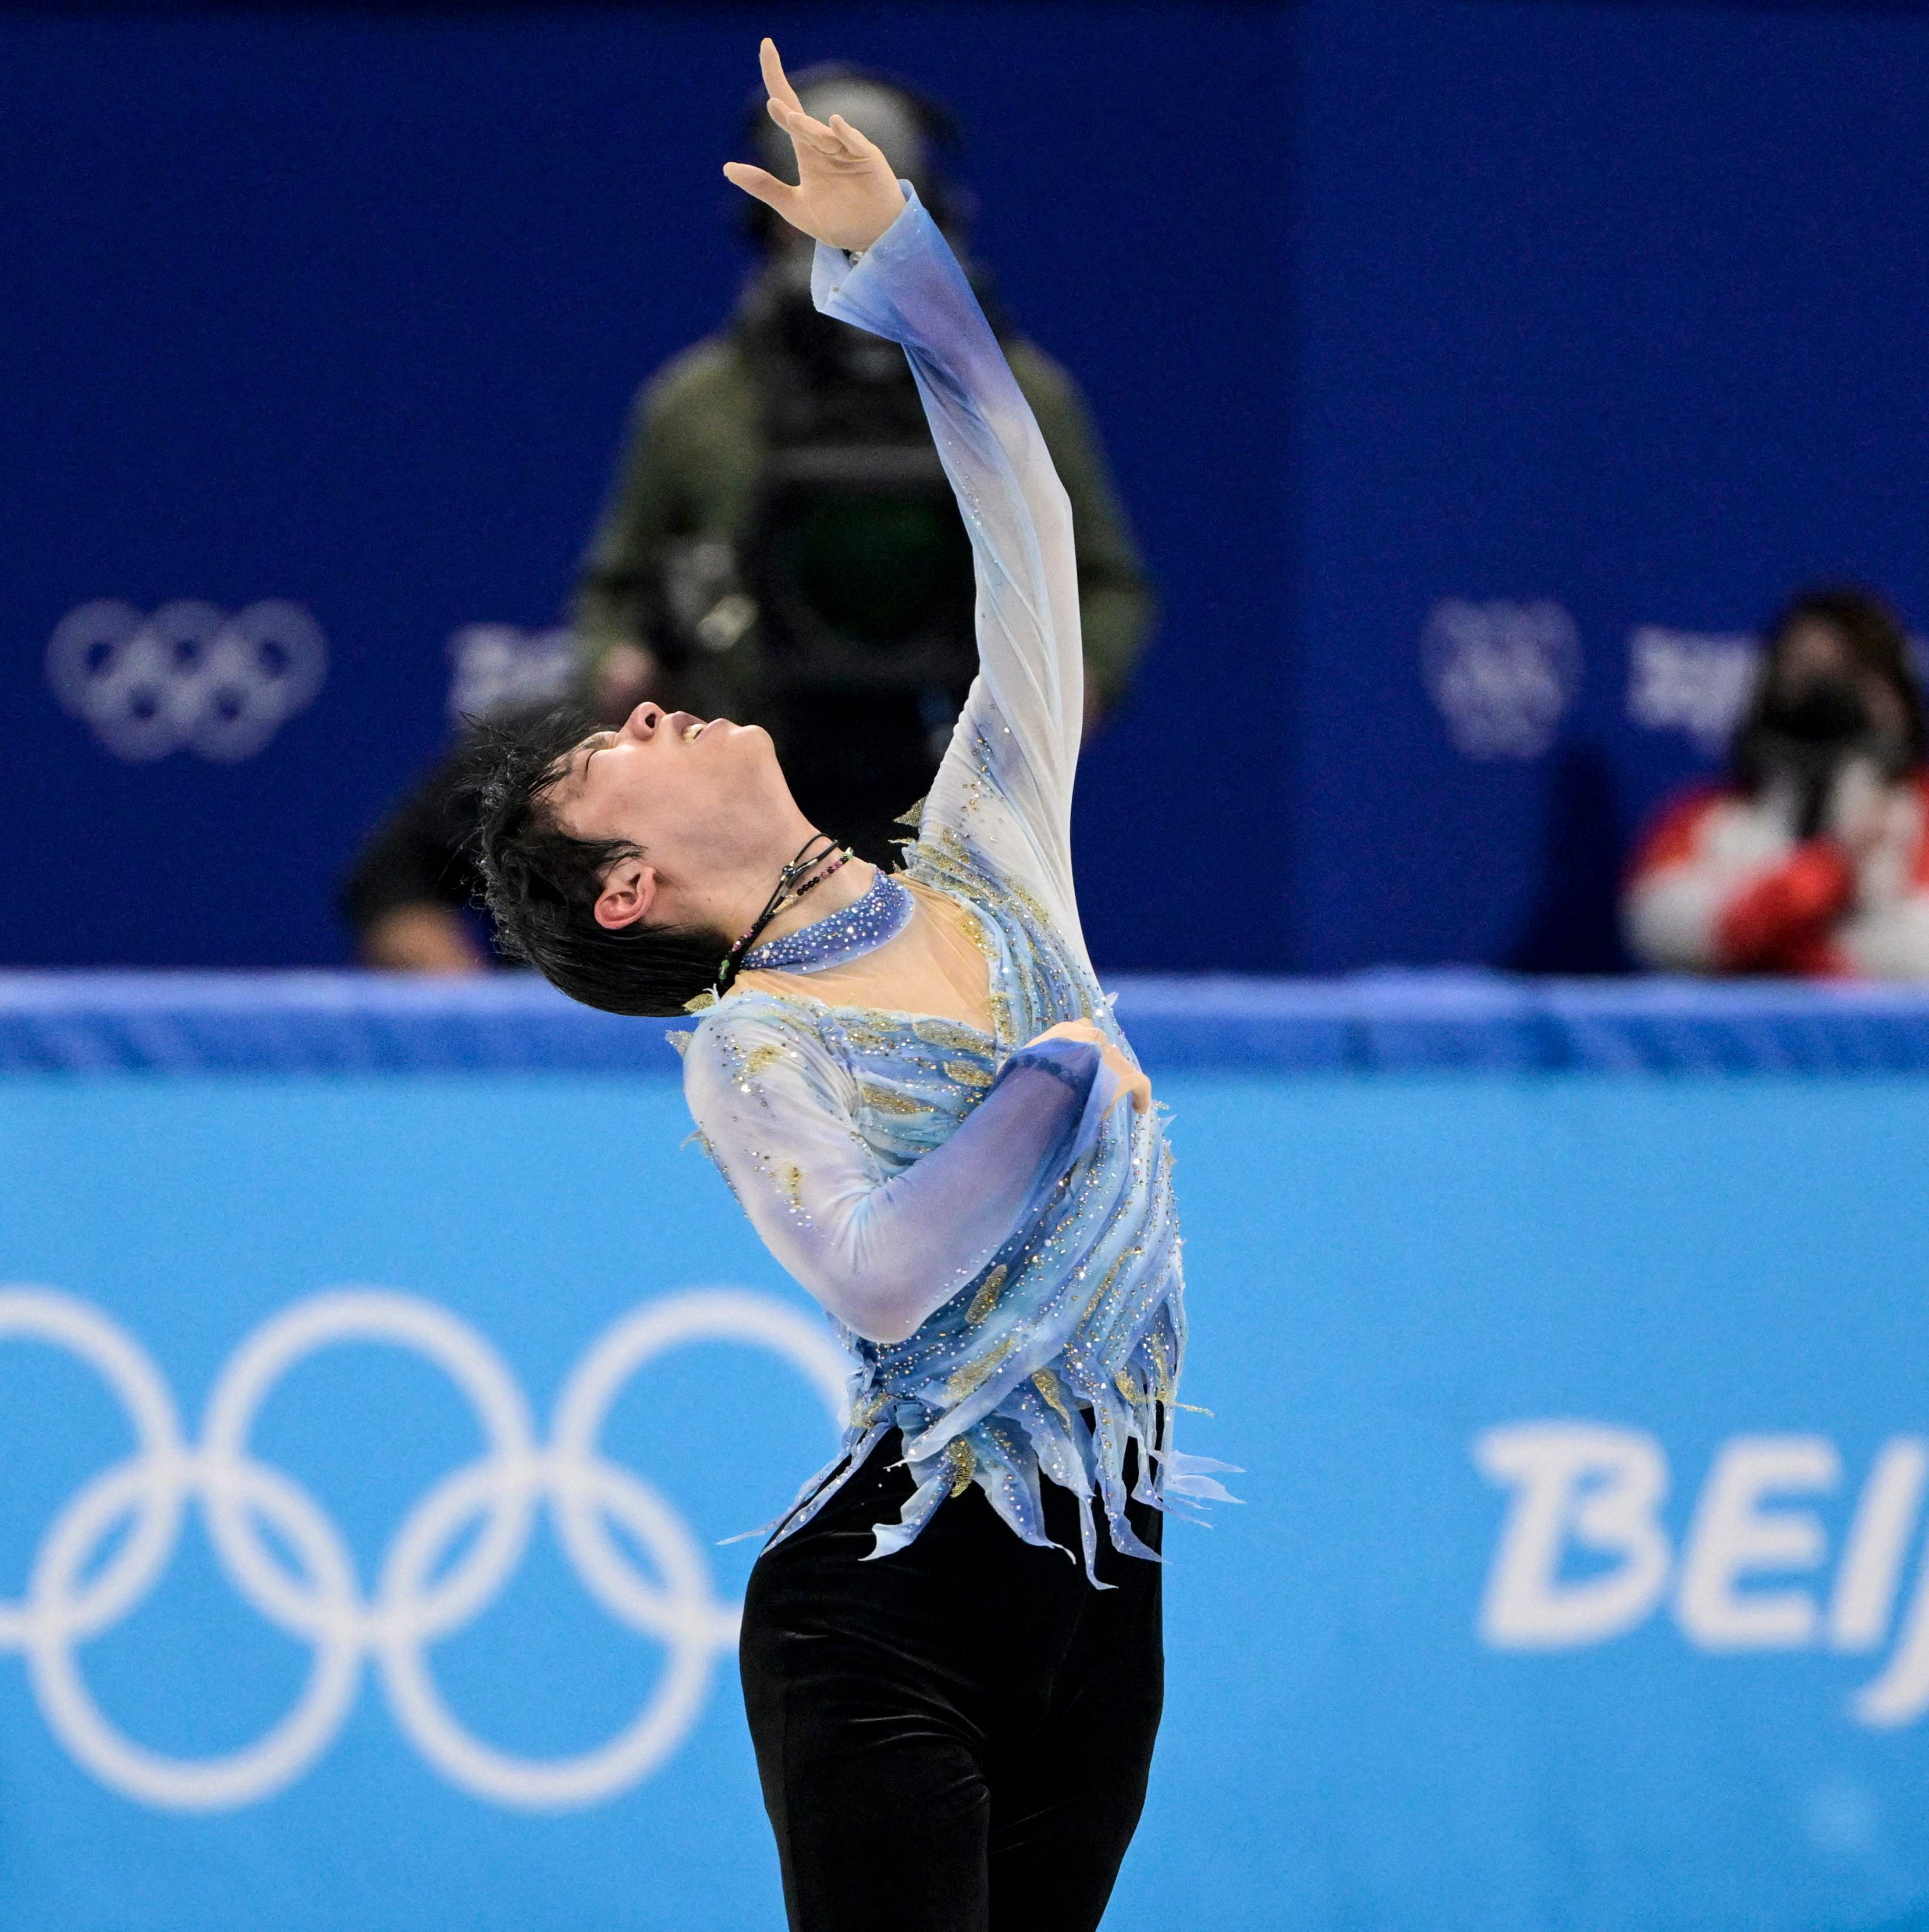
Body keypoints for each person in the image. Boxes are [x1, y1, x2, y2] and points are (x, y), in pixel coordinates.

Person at [459, 44, 1228, 1931]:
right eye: (604, 753)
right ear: (628, 888)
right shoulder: (755, 1049)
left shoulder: (988, 848)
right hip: (889, 1621)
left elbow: (1031, 536)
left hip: (1104, 1603)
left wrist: (902, 276)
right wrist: (1054, 1079)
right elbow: (884, 1272)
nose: (640, 709)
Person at [339, 66, 1153, 975]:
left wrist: (1075, 691)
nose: (836, 252)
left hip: (931, 749)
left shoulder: (1015, 399)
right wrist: (620, 663)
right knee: (433, 848)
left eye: (872, 225)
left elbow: (1087, 566)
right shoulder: (698, 406)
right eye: (814, 227)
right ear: (765, 232)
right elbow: (616, 583)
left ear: (944, 222)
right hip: (746, 708)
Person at [1624, 586, 1929, 979]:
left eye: (1855, 675)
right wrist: (1829, 873)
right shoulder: (1709, 817)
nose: (1831, 699)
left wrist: (1773, 950)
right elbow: (1662, 929)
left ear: (1899, 695)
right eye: (1809, 672)